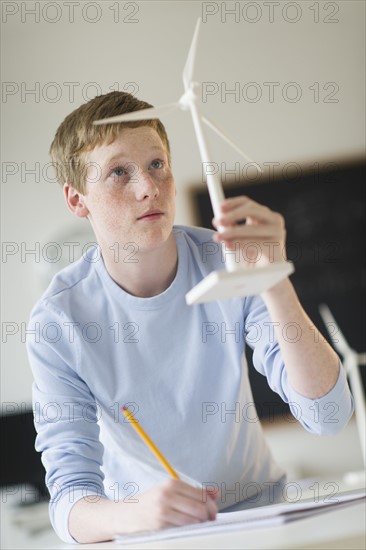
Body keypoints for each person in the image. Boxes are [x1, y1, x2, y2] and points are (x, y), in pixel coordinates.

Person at [27, 91, 354, 544]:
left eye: (157, 164)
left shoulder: (229, 259)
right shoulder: (57, 323)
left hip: (267, 521)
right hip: (155, 534)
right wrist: (133, 513)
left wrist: (275, 279)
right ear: (77, 199)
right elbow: (68, 501)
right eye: (119, 172)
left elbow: (330, 415)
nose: (148, 187)